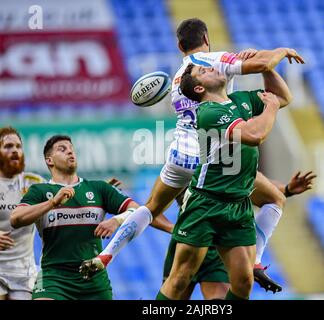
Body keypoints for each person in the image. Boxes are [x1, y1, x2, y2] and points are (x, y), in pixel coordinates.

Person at [79, 18, 305, 291]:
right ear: (206, 38)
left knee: (151, 207)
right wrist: (280, 51)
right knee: (273, 199)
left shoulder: (179, 77)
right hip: (214, 155)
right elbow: (262, 66)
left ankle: (107, 254)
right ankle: (255, 259)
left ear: (179, 46)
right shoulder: (214, 61)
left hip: (180, 153)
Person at [157, 62, 286, 300]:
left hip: (239, 204)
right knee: (180, 279)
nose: (211, 69)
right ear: (198, 89)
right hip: (206, 203)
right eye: (202, 72)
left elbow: (281, 96)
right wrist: (272, 108)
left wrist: (267, 68)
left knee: (244, 282)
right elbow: (255, 135)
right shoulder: (208, 112)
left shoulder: (240, 101)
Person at [10, 135, 146, 300]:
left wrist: (116, 220)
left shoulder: (99, 188)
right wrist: (52, 202)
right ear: (49, 160)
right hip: (54, 278)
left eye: (71, 148)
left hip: (93, 278)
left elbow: (139, 211)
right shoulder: (39, 191)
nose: (70, 152)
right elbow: (16, 219)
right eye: (62, 149)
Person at [163, 170, 316, 299]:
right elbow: (151, 210)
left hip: (216, 247)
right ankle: (254, 262)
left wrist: (287, 189)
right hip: (188, 239)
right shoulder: (185, 161)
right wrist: (173, 228)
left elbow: (261, 187)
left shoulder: (232, 160)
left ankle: (253, 262)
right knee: (176, 289)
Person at [0, 127, 45, 300]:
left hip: (23, 272)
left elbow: (60, 198)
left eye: (18, 146)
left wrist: (95, 192)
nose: (15, 151)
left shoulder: (33, 183)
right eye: (8, 146)